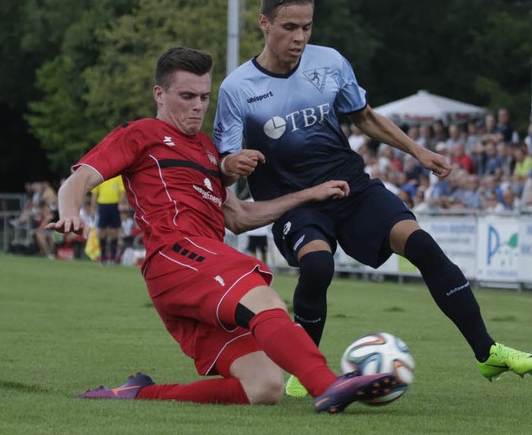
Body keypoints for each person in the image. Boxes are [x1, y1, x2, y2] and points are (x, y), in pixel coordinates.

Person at [213, 0, 532, 397]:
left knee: (422, 245)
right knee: (317, 267)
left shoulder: (330, 63)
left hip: (351, 188)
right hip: (296, 203)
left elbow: (364, 118)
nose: (299, 37)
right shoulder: (237, 88)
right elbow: (224, 165)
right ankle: (303, 370)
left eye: (307, 27)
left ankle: (488, 352)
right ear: (263, 23)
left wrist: (417, 151)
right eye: (288, 27)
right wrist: (230, 164)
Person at [47, 46, 399, 414]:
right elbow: (81, 177)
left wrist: (310, 194)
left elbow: (240, 216)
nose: (198, 106)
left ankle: (138, 393)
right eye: (187, 96)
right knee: (264, 297)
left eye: (203, 97)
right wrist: (70, 212)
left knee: (264, 386)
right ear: (159, 94)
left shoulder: (206, 150)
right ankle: (328, 387)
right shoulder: (141, 134)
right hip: (176, 254)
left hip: (196, 276)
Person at [90, 175, 126, 264]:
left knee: (114, 231)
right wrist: (93, 208)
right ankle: (102, 257)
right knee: (102, 231)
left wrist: (121, 203)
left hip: (114, 205)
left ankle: (113, 258)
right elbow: (94, 194)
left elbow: (122, 191)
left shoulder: (118, 176)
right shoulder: (99, 176)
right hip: (102, 205)